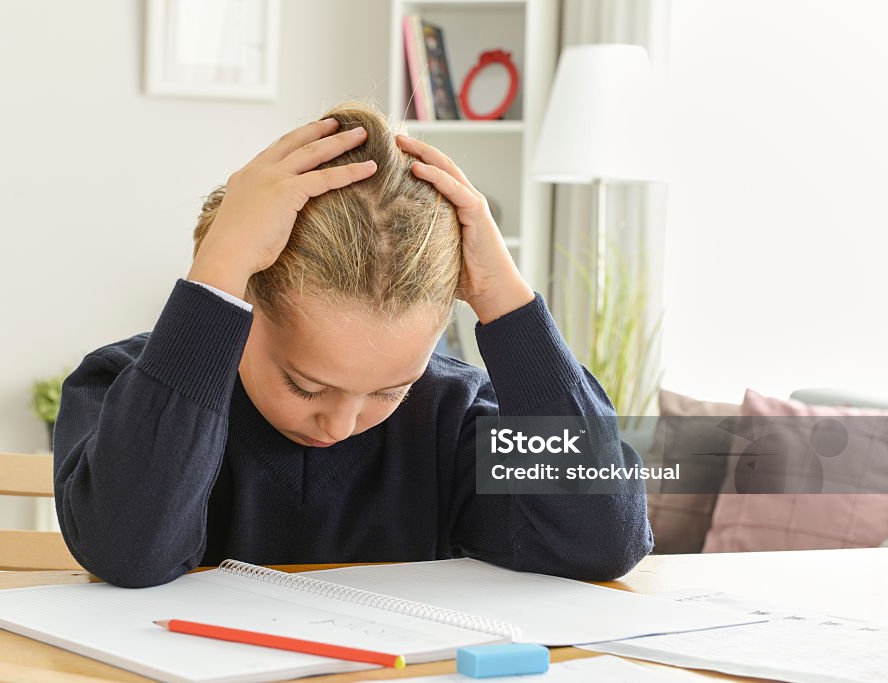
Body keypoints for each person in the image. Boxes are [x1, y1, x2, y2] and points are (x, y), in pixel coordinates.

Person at [53, 100, 653, 589]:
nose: (340, 423)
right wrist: (219, 268)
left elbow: (603, 542)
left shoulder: (456, 419)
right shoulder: (118, 386)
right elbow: (128, 553)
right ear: (244, 305)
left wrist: (508, 302)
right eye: (306, 385)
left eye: (392, 390)